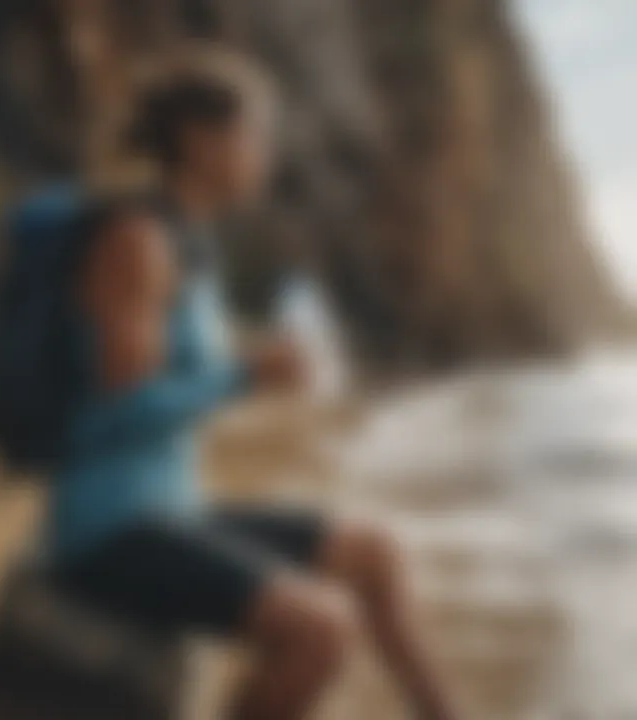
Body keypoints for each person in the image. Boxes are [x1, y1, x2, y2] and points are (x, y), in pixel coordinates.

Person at [44, 46, 458, 720]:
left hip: (171, 511)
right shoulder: (137, 241)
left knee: (376, 551)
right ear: (203, 143)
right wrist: (243, 374)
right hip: (110, 531)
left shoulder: (190, 246)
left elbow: (182, 370)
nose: (266, 154)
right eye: (255, 135)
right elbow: (117, 413)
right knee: (322, 629)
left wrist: (255, 363)